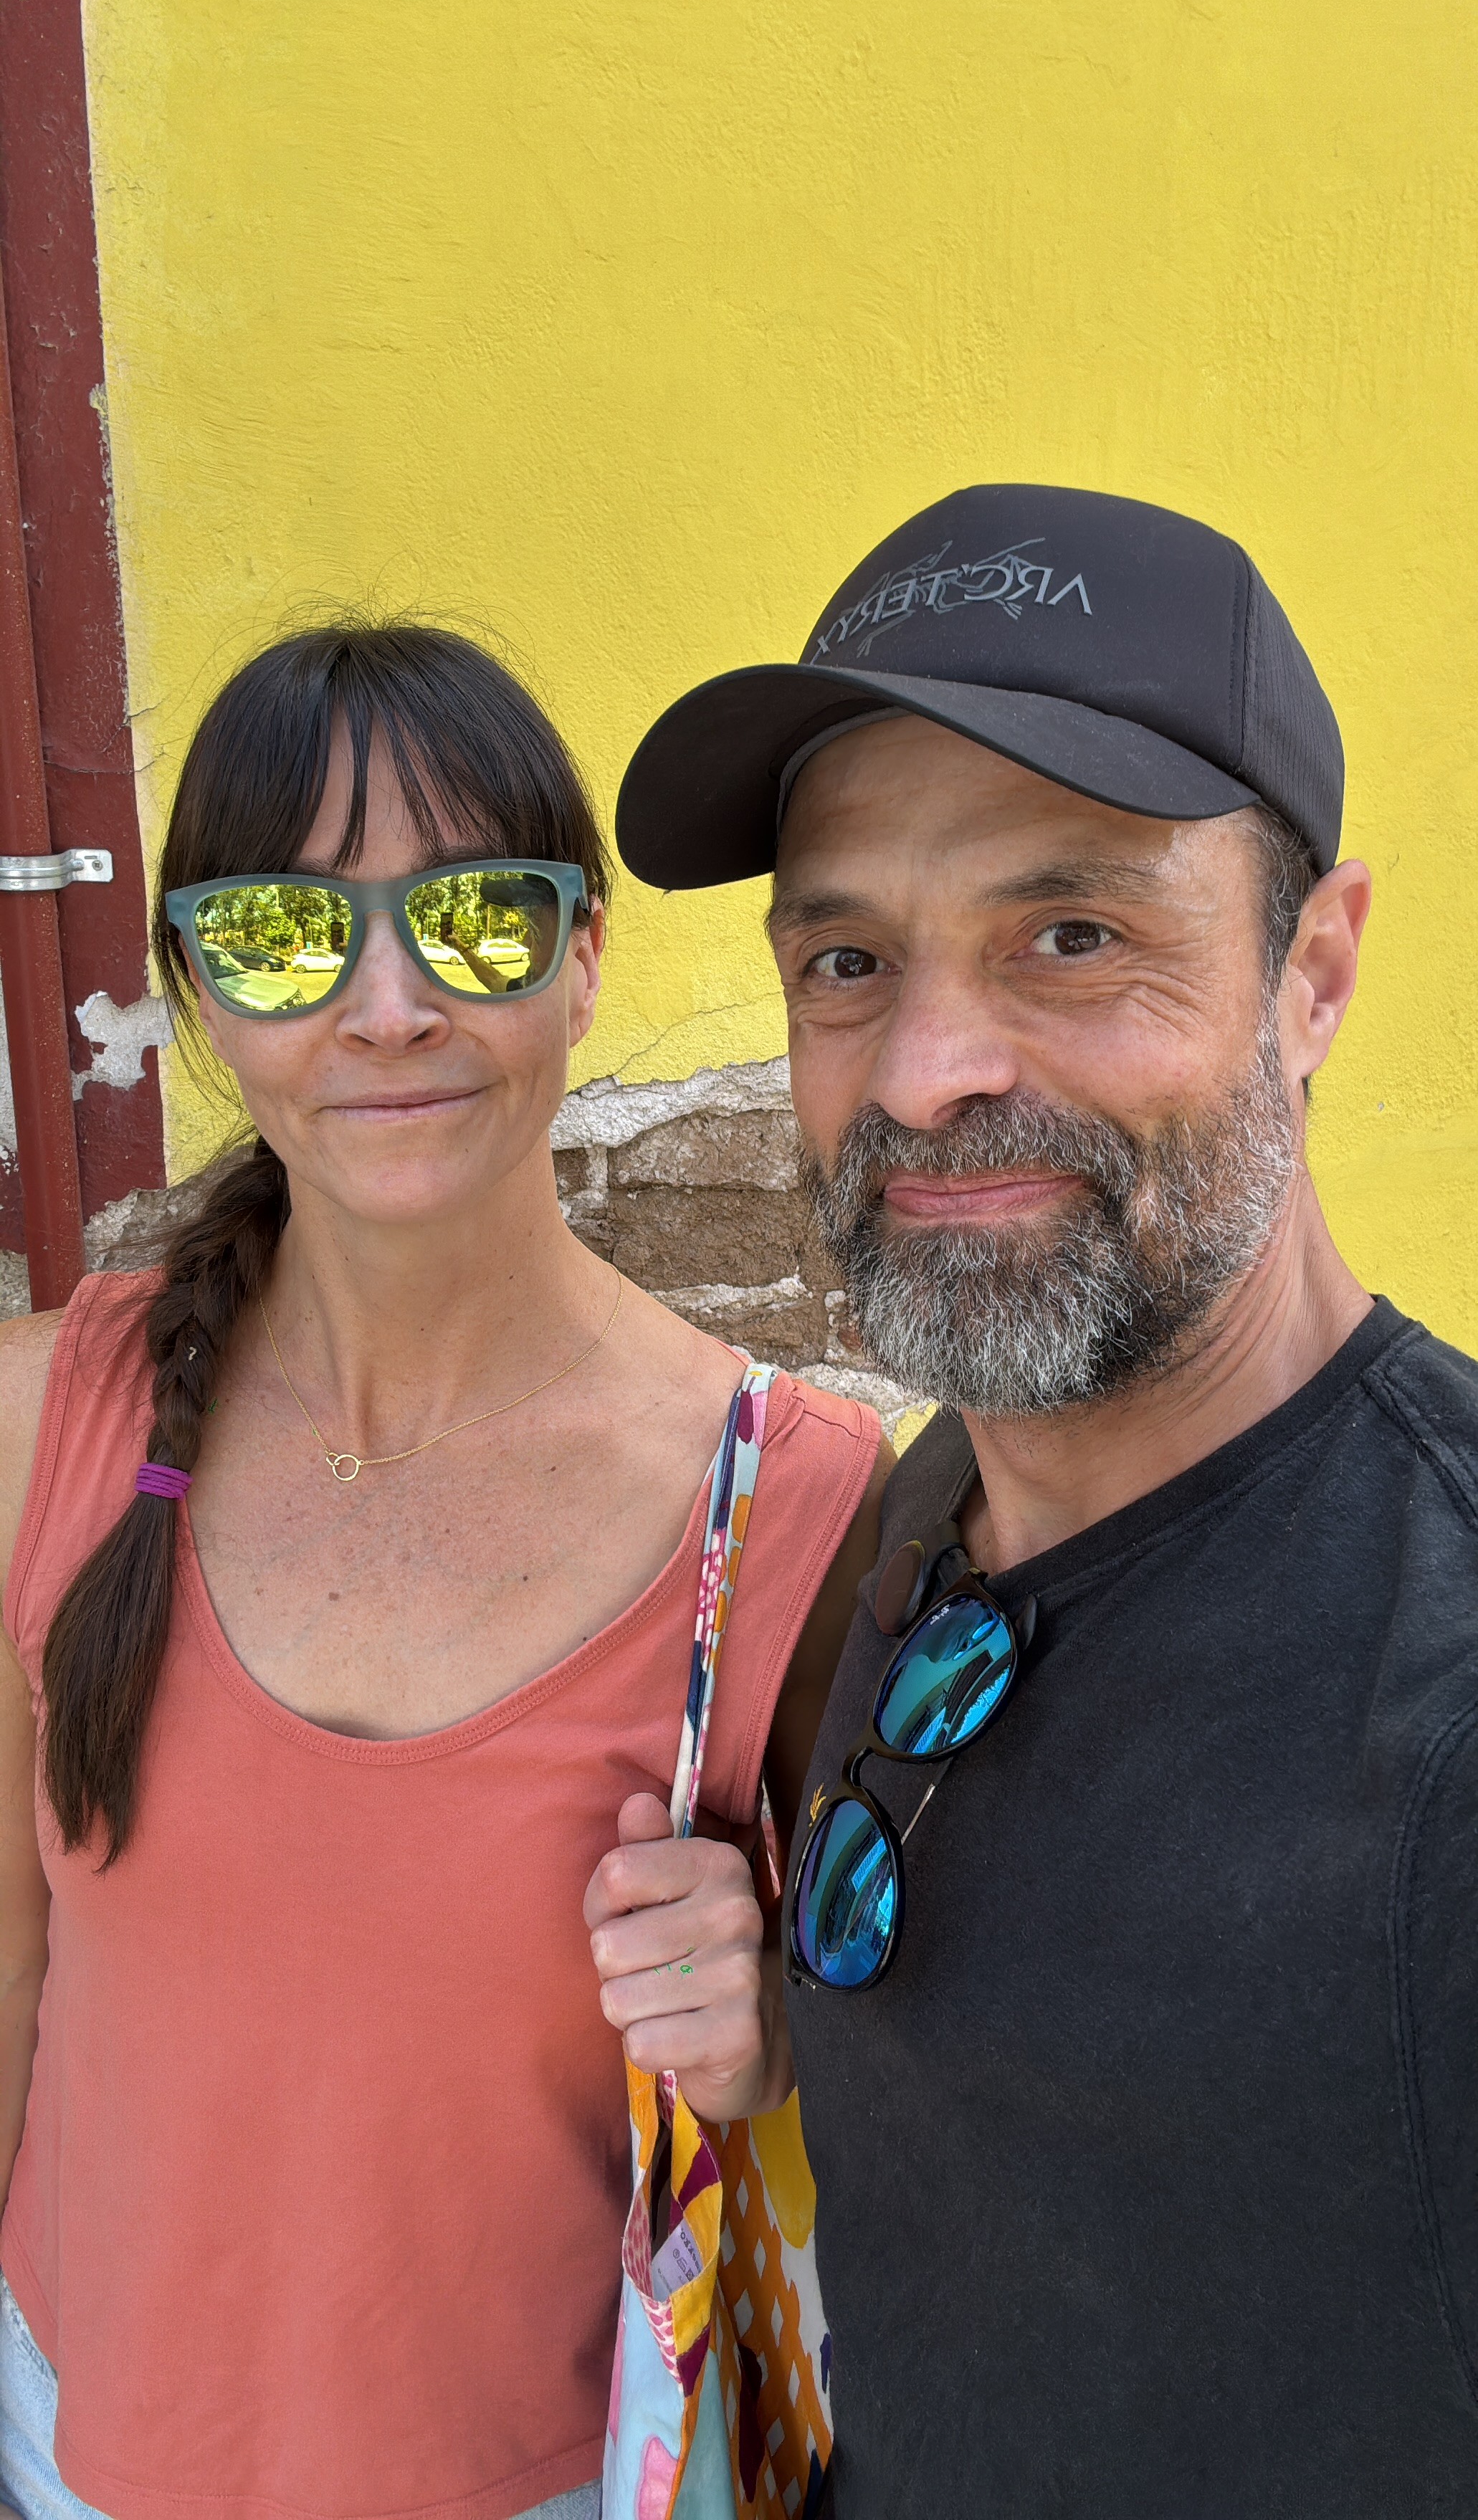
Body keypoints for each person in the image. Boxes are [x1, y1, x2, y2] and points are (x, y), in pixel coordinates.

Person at [602, 485, 1478, 2515]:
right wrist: (786, 2039)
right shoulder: (937, 1508)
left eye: (1072, 935)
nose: (925, 1070)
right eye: (846, 958)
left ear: (1314, 972)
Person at [0, 623, 886, 2520]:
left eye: (477, 919)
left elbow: (916, 2057)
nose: (388, 1006)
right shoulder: (44, 1423)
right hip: (64, 2449)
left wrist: (777, 2032)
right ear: (194, 994)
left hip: (552, 2483)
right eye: (282, 937)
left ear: (586, 958)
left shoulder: (785, 1510)